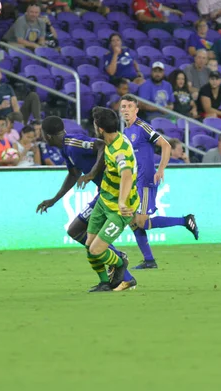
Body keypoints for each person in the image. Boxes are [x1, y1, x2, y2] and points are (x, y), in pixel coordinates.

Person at [35, 116, 137, 290]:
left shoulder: (74, 143)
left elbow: (101, 145)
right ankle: (106, 280)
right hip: (103, 194)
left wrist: (91, 174)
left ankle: (120, 263)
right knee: (76, 231)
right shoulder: (66, 149)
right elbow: (73, 175)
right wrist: (54, 200)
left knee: (89, 239)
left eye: (42, 134)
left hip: (110, 194)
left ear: (48, 136)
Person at [118, 94, 199, 269]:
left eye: (130, 106)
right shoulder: (126, 131)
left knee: (142, 223)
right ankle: (149, 260)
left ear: (136, 110)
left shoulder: (142, 127)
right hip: (134, 183)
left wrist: (161, 169)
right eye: (123, 106)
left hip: (146, 181)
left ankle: (185, 221)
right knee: (133, 221)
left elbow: (166, 145)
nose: (126, 110)